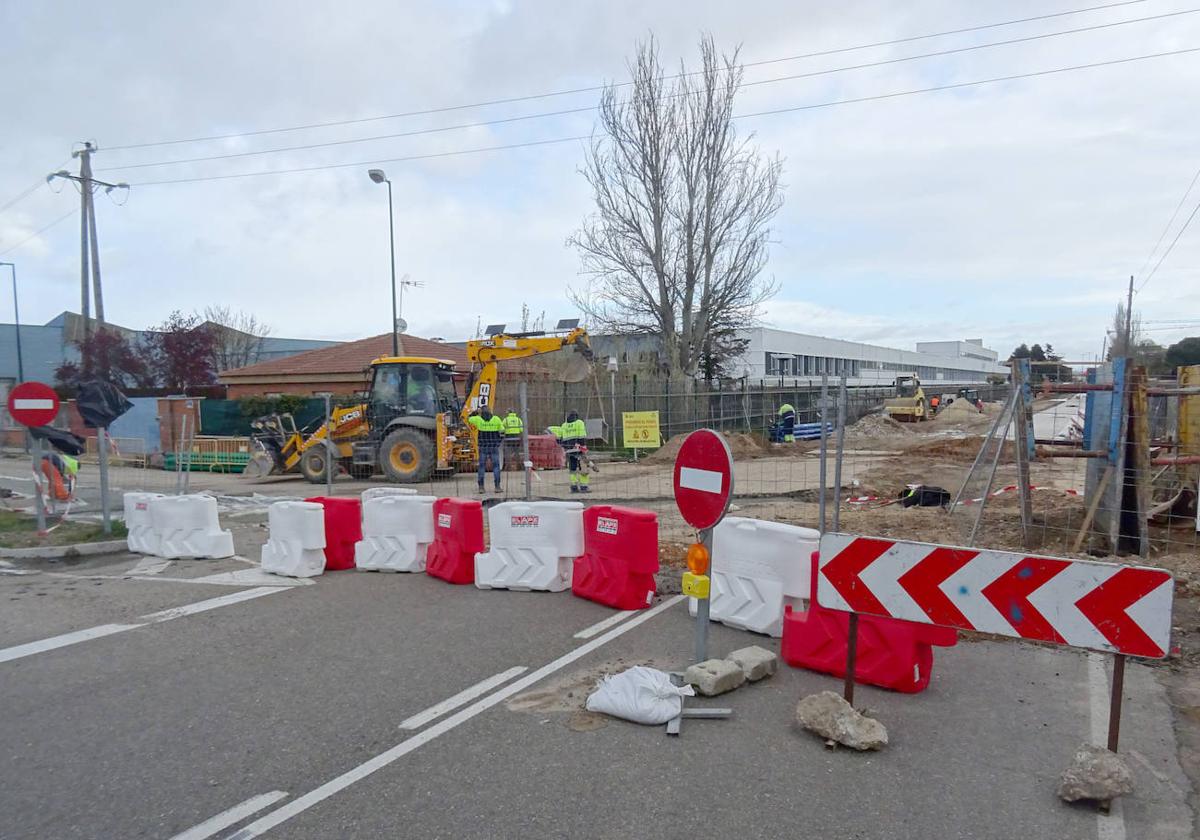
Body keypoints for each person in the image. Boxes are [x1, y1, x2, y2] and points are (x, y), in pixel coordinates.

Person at [467, 407, 505, 493]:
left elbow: (469, 418)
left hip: (483, 446)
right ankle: (497, 487)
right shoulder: (496, 419)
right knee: (496, 466)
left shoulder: (478, 419)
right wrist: (498, 442)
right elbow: (502, 431)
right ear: (490, 411)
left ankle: (481, 487)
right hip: (494, 446)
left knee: (481, 467)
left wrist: (476, 412)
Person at [560, 410, 590, 493]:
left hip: (569, 450)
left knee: (572, 468)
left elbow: (561, 439)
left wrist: (566, 448)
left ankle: (574, 487)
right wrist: (583, 447)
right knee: (583, 467)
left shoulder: (564, 425)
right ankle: (584, 487)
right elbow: (582, 436)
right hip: (579, 448)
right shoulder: (579, 423)